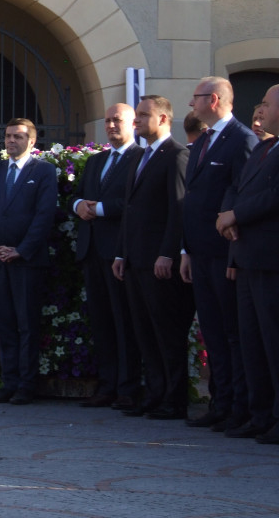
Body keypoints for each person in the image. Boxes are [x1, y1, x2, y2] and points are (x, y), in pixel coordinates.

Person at [112, 95, 194, 421]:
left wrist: (167, 253)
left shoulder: (177, 155)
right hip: (134, 259)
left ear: (163, 119)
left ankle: (174, 399)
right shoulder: (139, 157)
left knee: (166, 332)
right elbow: (130, 210)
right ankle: (156, 393)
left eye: (144, 115)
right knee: (143, 331)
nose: (137, 121)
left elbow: (178, 210)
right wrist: (121, 252)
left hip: (159, 262)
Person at [181, 77, 256, 431]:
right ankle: (219, 401)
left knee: (232, 333)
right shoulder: (203, 141)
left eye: (195, 98)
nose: (190, 105)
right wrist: (186, 250)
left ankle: (240, 407)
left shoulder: (242, 140)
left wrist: (233, 257)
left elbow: (241, 197)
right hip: (199, 253)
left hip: (224, 255)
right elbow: (193, 200)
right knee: (211, 332)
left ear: (212, 99)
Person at [0, 117, 57, 405]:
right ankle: (8, 383)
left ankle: (26, 384)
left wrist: (22, 249)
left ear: (31, 141)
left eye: (18, 137)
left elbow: (44, 216)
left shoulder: (44, 171)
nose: (11, 141)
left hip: (27, 261)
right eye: (8, 136)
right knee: (5, 323)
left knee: (27, 324)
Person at [217, 84, 279, 443]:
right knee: (252, 342)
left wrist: (235, 214)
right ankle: (260, 413)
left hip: (271, 262)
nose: (261, 111)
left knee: (273, 341)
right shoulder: (264, 149)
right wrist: (227, 212)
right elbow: (236, 187)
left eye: (267, 105)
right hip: (247, 259)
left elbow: (274, 196)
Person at [71, 103, 143, 410]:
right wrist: (78, 207)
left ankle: (128, 387)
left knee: (123, 322)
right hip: (92, 251)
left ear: (134, 124)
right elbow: (80, 195)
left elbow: (135, 204)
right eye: (108, 120)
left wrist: (98, 209)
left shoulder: (140, 158)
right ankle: (107, 383)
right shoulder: (96, 160)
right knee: (100, 322)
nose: (111, 125)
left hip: (119, 252)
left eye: (117, 120)